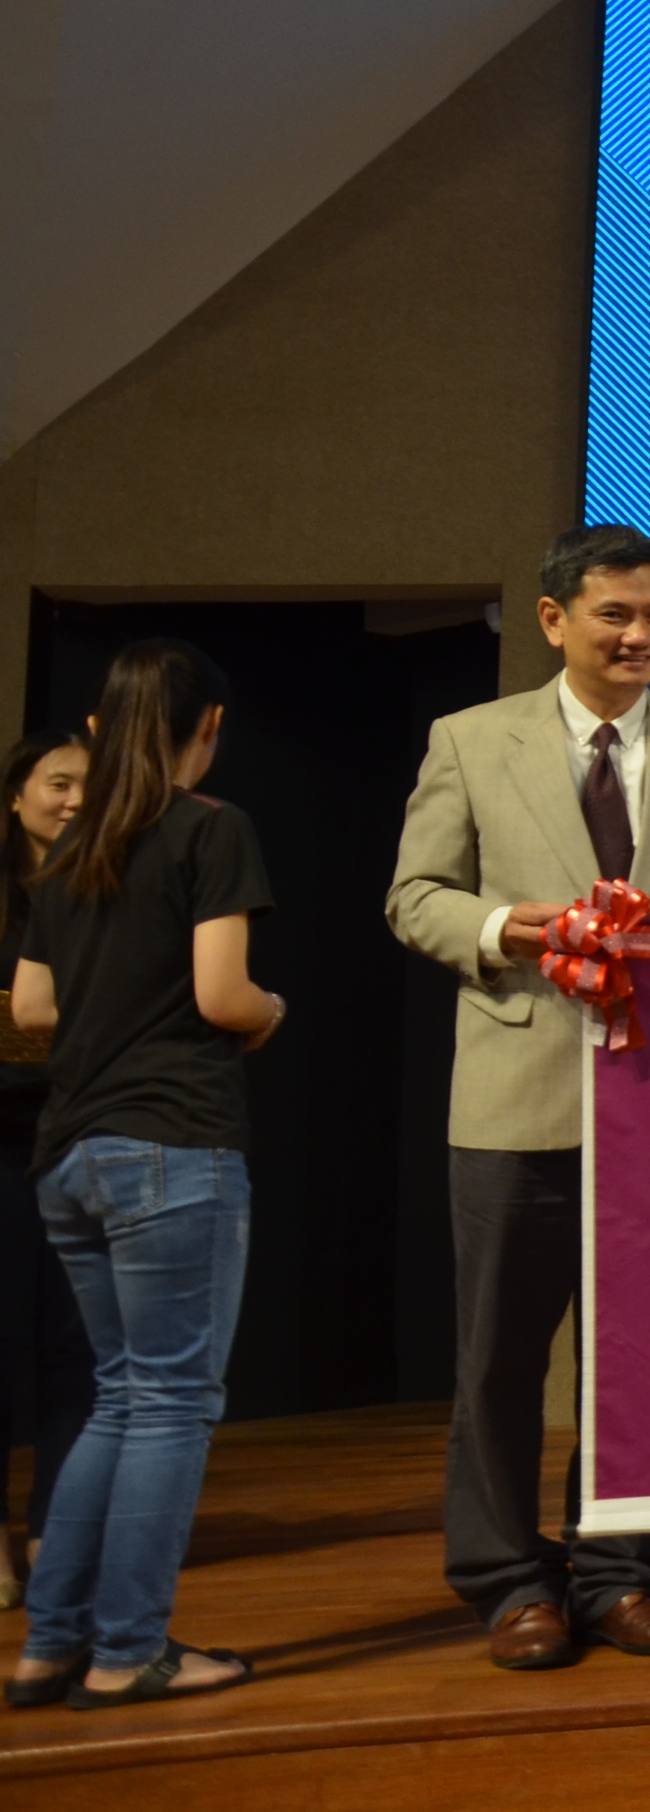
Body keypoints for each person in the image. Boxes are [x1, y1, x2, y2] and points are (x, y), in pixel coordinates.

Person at [387, 524, 650, 1672]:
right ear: (555, 621)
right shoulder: (470, 739)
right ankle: (511, 1582)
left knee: (646, 1359)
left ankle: (621, 1576)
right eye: (615, 615)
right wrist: (510, 929)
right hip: (519, 1093)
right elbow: (416, 896)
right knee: (499, 1360)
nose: (639, 635)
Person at [3, 647, 275, 1711]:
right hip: (171, 1142)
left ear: (100, 727)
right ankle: (128, 1651)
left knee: (120, 1398)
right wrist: (275, 1010)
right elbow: (223, 997)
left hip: (68, 1151)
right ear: (210, 724)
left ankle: (51, 1646)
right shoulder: (211, 827)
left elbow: (33, 1009)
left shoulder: (74, 846)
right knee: (169, 1402)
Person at [0, 731, 96, 1608]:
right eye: (58, 783)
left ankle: (54, 1537)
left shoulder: (107, 884)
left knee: (79, 1347)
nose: (73, 801)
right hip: (3, 1138)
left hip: (79, 1132)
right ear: (16, 795)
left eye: (87, 787)